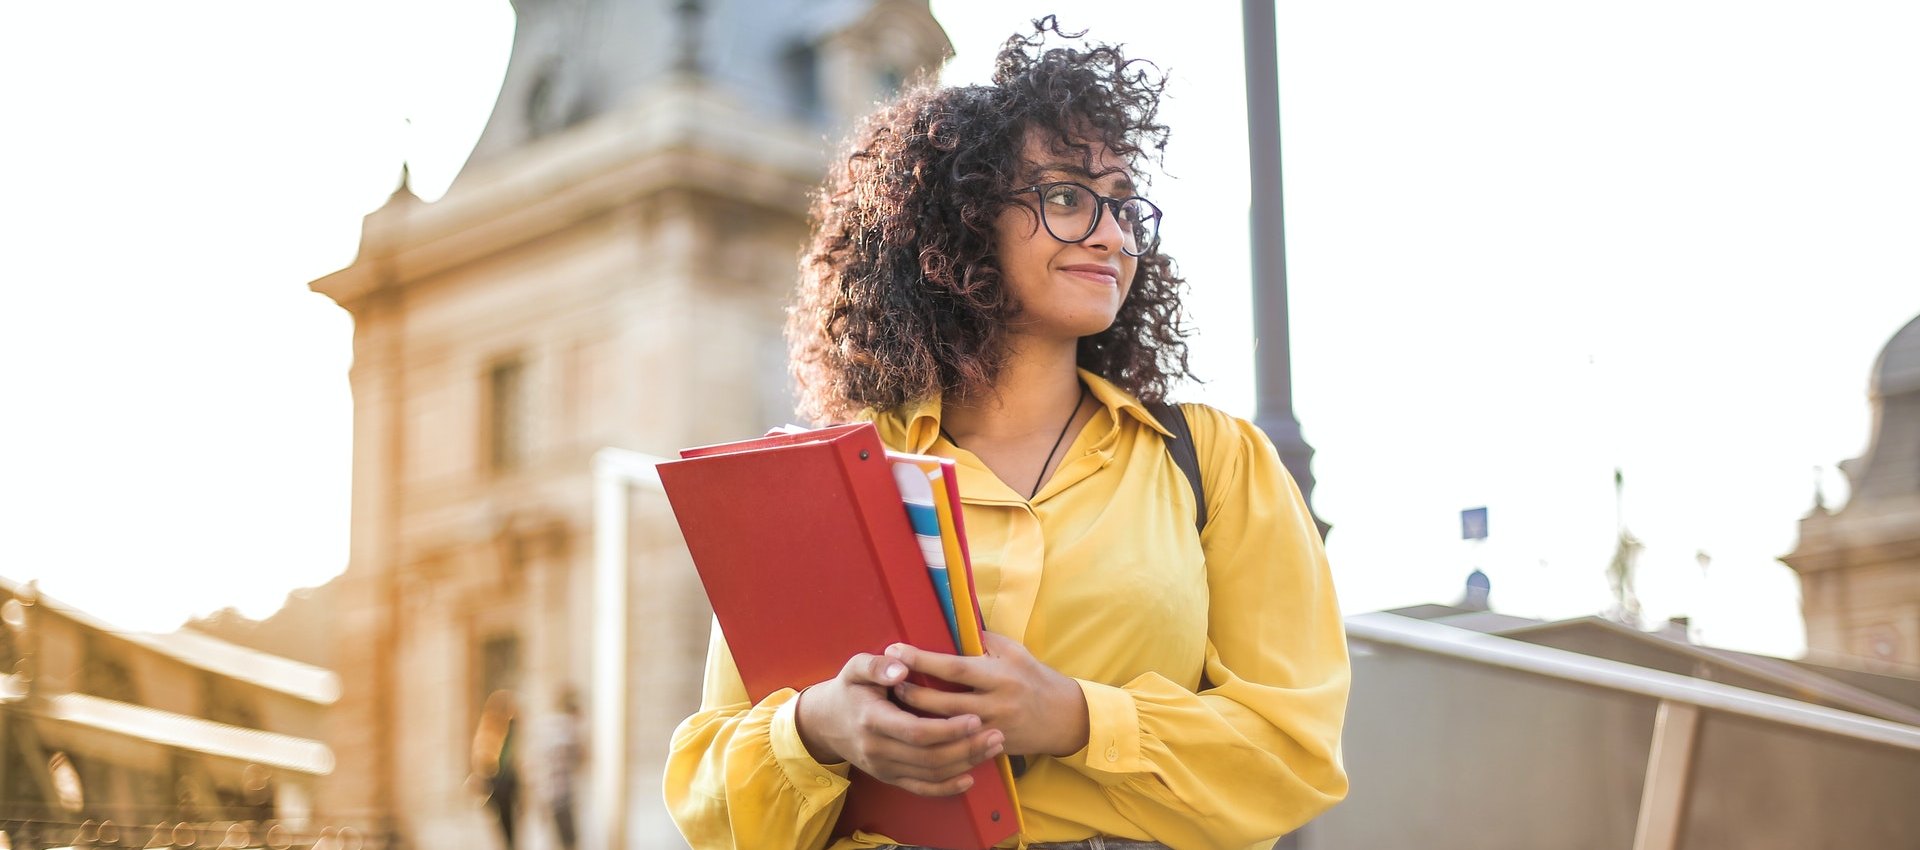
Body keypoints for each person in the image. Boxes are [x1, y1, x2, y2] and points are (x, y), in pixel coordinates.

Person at [665, 18, 1348, 850]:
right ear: (960, 221)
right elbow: (706, 796)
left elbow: (1296, 755)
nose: (1111, 234)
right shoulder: (831, 480)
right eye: (1066, 196)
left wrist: (1075, 717)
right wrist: (815, 729)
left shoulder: (1215, 462)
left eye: (1125, 207)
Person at [471, 689, 520, 849]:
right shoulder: (491, 730)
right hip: (499, 785)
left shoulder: (508, 730)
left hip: (505, 785)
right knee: (506, 828)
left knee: (509, 828)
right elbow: (485, 759)